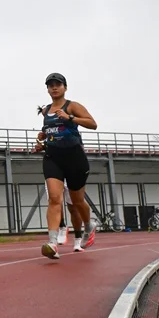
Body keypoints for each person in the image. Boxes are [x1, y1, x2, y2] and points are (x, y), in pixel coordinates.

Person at [34, 72, 98, 259]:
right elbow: (52, 131)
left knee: (77, 201)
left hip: (74, 157)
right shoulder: (46, 111)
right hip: (53, 157)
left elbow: (93, 124)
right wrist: (43, 138)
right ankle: (53, 242)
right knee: (55, 198)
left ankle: (89, 224)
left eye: (58, 84)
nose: (54, 88)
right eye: (50, 85)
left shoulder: (73, 106)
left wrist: (70, 118)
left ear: (65, 87)